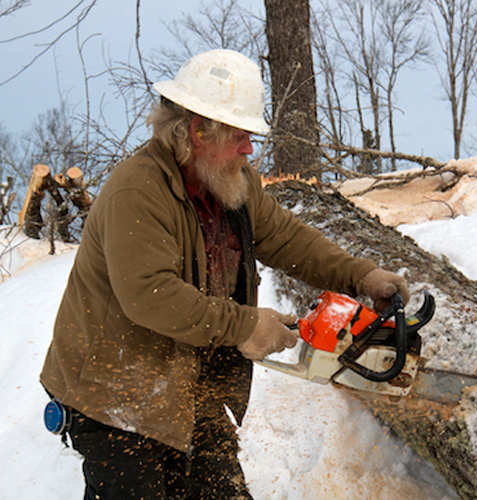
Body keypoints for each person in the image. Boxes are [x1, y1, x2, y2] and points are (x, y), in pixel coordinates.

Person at [39, 48, 409, 499]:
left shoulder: (230, 180)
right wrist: (244, 325)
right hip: (116, 395)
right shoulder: (137, 191)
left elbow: (287, 237)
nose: (249, 148)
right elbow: (148, 294)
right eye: (239, 135)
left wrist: (361, 275)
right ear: (198, 132)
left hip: (192, 390)